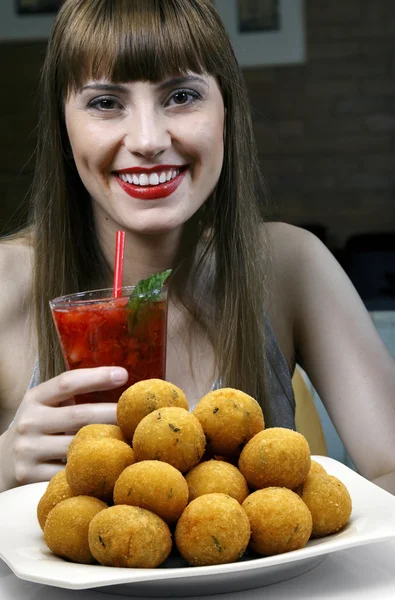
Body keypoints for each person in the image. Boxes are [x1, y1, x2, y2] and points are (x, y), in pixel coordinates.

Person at [0, 0, 394, 494]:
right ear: (63, 124)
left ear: (226, 110)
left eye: (182, 95)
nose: (147, 139)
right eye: (105, 103)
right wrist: (3, 461)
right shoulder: (5, 282)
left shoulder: (291, 265)